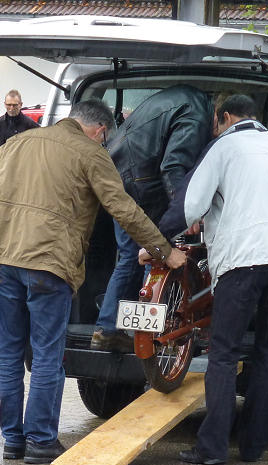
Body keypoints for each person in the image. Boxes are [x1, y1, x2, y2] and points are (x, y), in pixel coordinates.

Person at [0, 99, 185, 464]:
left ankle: (13, 440)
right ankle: (41, 441)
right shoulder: (91, 153)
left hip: (3, 260)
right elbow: (122, 208)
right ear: (100, 131)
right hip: (48, 263)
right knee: (47, 354)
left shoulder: (19, 141)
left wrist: (11, 220)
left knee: (10, 353)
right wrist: (163, 250)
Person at [148, 94, 268, 465]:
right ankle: (255, 446)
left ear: (224, 118)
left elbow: (190, 205)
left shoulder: (223, 148)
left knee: (223, 354)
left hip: (245, 259)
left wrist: (157, 243)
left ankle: (212, 449)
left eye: (215, 122)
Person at [91, 85, 213, 353]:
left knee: (128, 257)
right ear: (221, 115)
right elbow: (172, 165)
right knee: (155, 255)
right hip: (144, 188)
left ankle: (107, 329)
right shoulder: (198, 111)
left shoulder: (174, 99)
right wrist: (184, 210)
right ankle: (150, 335)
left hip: (120, 180)